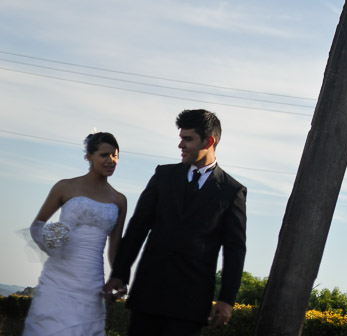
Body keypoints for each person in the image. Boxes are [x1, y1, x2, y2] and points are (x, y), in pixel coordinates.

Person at [105, 108, 246, 333]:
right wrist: (120, 273)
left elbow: (234, 250)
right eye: (181, 138)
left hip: (191, 303)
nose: (181, 145)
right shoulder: (163, 176)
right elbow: (138, 228)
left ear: (209, 141)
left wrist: (227, 299)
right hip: (148, 295)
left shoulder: (232, 191)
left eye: (187, 139)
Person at [23, 131, 127, 336]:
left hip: (92, 281)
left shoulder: (119, 200)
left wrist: (118, 278)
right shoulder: (65, 187)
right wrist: (51, 242)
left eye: (115, 155)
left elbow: (114, 248)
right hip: (58, 278)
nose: (111, 161)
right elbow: (37, 226)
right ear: (89, 156)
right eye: (104, 155)